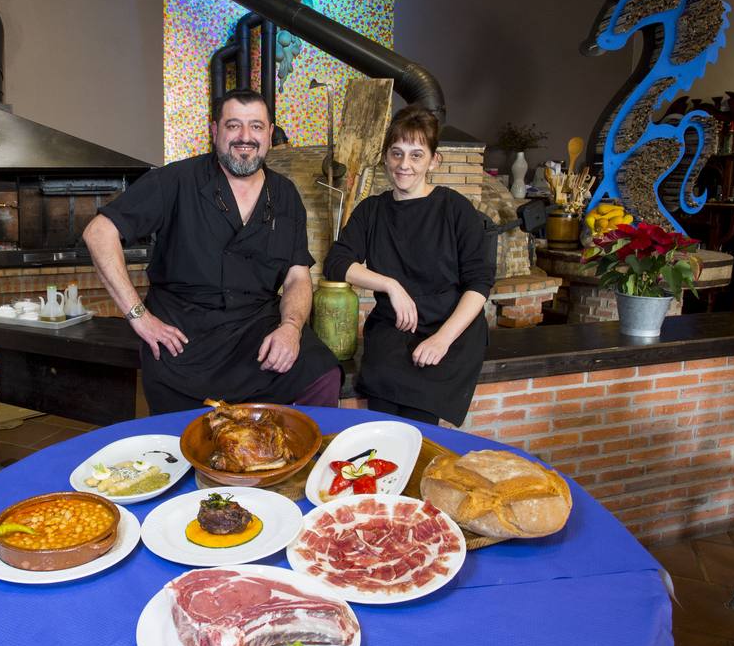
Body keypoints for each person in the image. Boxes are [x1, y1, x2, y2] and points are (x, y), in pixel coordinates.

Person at [82, 89, 341, 414]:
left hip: (256, 330)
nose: (245, 137)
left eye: (256, 127)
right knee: (192, 442)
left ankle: (298, 461)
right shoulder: (175, 180)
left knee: (323, 375)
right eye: (234, 126)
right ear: (215, 130)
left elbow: (297, 275)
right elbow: (99, 233)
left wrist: (290, 327)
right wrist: (139, 317)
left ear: (270, 134)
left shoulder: (285, 194)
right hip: (185, 338)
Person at [322, 105, 493, 425]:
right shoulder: (372, 211)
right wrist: (391, 285)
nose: (404, 165)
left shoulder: (456, 209)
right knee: (384, 421)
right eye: (397, 153)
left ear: (433, 160)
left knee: (419, 426)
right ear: (385, 157)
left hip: (451, 329)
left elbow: (480, 282)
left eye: (416, 155)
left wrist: (442, 339)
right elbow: (336, 262)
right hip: (395, 329)